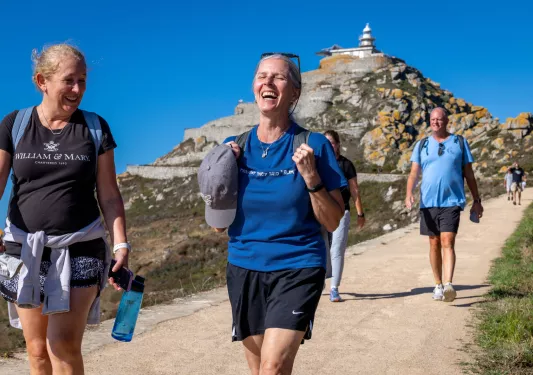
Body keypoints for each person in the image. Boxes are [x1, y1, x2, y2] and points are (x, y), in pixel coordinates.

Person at [210, 53, 346, 375]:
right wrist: (216, 175)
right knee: (260, 369)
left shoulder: (314, 145)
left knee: (272, 367)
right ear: (254, 85)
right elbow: (217, 225)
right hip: (244, 268)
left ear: (295, 92)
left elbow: (332, 220)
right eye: (262, 76)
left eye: (279, 77)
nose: (268, 82)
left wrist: (312, 178)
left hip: (298, 266)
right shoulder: (235, 146)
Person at [0, 44, 129, 374]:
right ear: (42, 81)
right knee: (38, 350)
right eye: (69, 81)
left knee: (63, 345)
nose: (78, 90)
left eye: (83, 81)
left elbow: (110, 195)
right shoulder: (15, 124)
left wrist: (121, 245)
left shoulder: (94, 128)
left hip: (81, 246)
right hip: (24, 248)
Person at [405, 107, 483, 303]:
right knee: (434, 243)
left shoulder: (459, 142)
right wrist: (408, 193)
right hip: (428, 202)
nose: (435, 122)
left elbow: (469, 174)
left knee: (447, 240)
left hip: (452, 201)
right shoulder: (421, 144)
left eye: (439, 119)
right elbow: (414, 173)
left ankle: (449, 284)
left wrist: (477, 200)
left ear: (447, 121)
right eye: (432, 119)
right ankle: (438, 284)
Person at [323, 130, 365, 302]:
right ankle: (319, 283)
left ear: (338, 144)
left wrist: (360, 213)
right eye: (325, 143)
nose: (329, 146)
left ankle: (334, 288)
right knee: (322, 249)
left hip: (342, 211)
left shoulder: (346, 165)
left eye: (331, 142)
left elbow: (355, 190)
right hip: (321, 213)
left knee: (336, 249)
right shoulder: (319, 163)